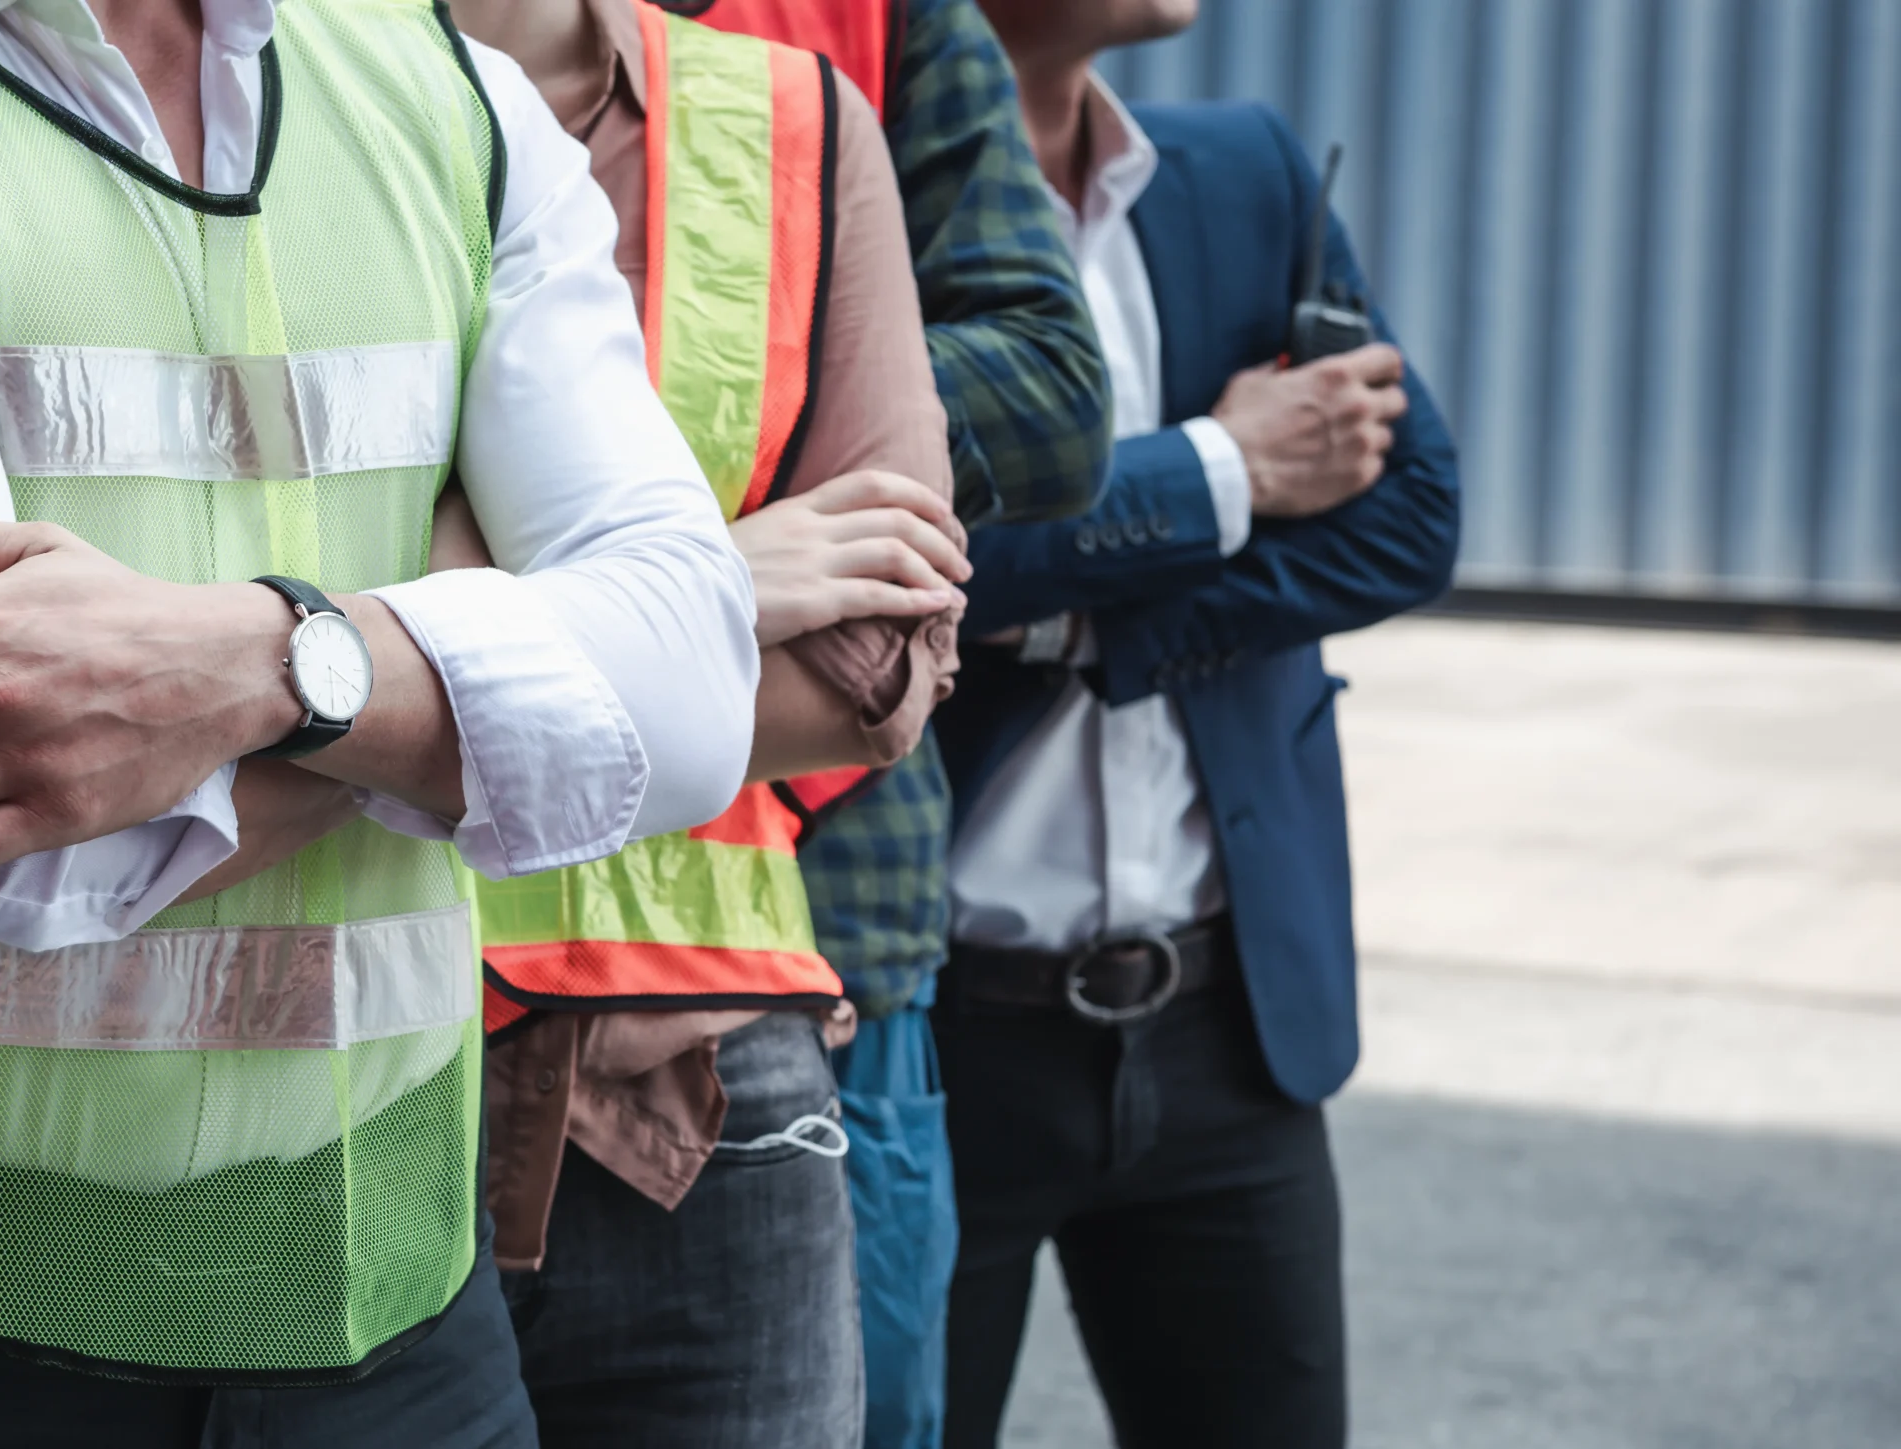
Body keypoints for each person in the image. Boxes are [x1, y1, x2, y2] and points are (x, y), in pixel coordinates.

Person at [0, 0, 773, 1441]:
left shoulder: (451, 97)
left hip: (391, 1293)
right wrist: (478, 639)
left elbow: (689, 702)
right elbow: (3, 831)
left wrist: (269, 663)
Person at [930, 1, 1462, 1445]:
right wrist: (1226, 467)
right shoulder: (866, 191)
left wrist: (1085, 623)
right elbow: (891, 538)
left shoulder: (1247, 169)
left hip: (1227, 1019)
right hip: (936, 1030)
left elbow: (1410, 517)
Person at [436, 1, 965, 1442]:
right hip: (327, 1066)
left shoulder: (787, 119)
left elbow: (876, 665)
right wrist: (720, 581)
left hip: (705, 1081)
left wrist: (411, 638)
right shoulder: (229, 99)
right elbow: (242, 625)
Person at [666, 4, 1112, 1443]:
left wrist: (675, 431)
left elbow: (1052, 390)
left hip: (821, 921)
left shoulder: (881, 22)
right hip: (439, 926)